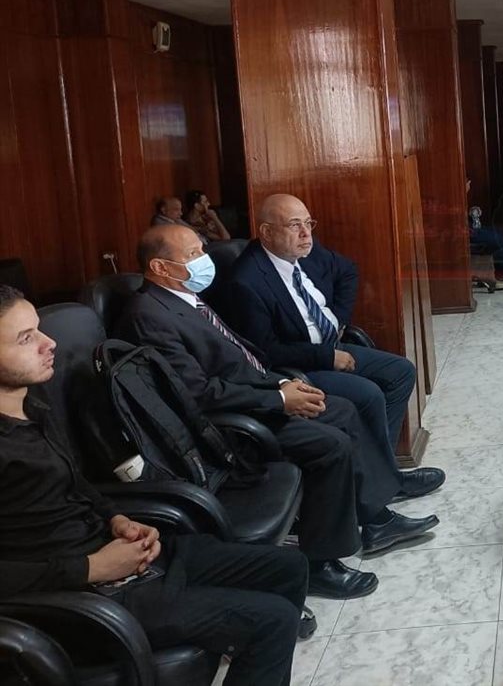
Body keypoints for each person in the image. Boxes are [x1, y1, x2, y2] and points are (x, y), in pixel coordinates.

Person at [0, 285, 310, 686]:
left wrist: (117, 519)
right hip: (77, 600)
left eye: (39, 329)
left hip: (117, 556)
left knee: (289, 566)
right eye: (26, 338)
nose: (49, 343)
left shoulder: (33, 405)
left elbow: (77, 484)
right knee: (273, 620)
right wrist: (92, 567)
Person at [116, 225, 438, 600]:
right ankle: (319, 564)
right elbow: (197, 394)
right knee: (330, 444)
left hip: (259, 390)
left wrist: (283, 384)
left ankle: (375, 516)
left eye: (201, 249)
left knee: (343, 409)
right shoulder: (149, 316)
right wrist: (280, 400)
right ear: (159, 266)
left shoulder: (185, 297)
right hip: (228, 426)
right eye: (192, 255)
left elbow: (238, 360)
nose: (204, 259)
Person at [224, 194, 445, 499]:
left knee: (401, 371)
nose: (306, 233)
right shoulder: (247, 280)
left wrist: (338, 318)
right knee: (368, 394)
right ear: (266, 232)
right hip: (299, 366)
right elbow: (265, 351)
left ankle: (380, 473)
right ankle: (379, 485)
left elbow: (348, 271)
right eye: (294, 225)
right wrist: (327, 356)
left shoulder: (306, 250)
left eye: (308, 223)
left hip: (330, 343)